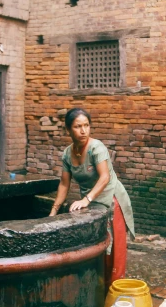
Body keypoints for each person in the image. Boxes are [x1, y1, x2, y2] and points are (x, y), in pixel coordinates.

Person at [49, 108, 135, 284]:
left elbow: (105, 177)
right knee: (95, 248)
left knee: (114, 252)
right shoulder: (67, 153)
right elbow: (64, 184)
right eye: (78, 126)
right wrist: (53, 211)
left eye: (86, 125)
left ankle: (113, 293)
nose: (83, 131)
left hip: (110, 200)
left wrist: (86, 199)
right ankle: (96, 289)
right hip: (89, 203)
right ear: (68, 130)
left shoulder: (96, 147)